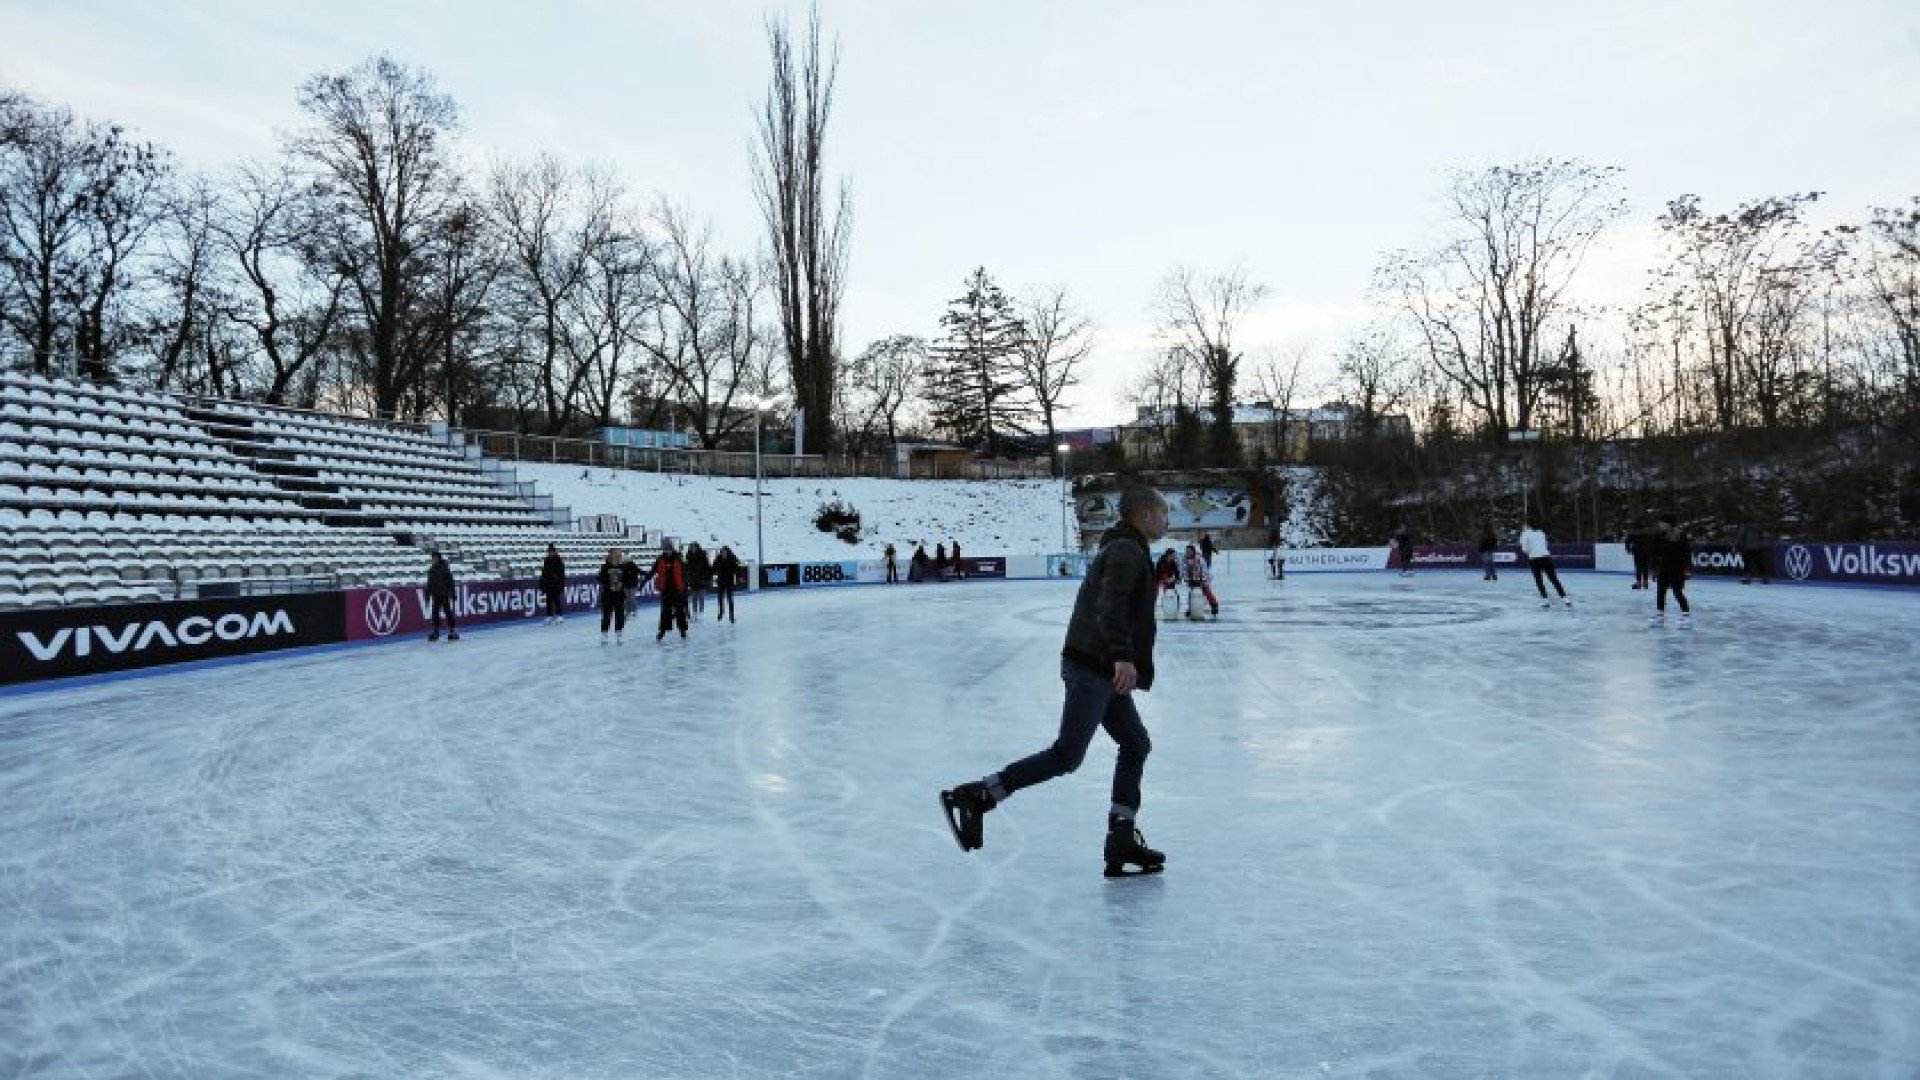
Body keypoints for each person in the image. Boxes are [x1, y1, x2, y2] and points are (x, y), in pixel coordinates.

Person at [940, 483, 1171, 878]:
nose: (1168, 521)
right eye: (1164, 513)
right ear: (1146, 514)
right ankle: (978, 795)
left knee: (1135, 743)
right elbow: (1109, 604)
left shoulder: (1128, 550)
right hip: (1093, 666)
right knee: (1068, 754)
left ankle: (1121, 837)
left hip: (1099, 668)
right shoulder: (1125, 551)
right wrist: (1122, 656)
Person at [1650, 516, 1693, 628]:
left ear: (1669, 524)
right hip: (1663, 568)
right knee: (1660, 591)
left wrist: (1688, 568)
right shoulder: (1658, 536)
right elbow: (1654, 553)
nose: (1660, 525)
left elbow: (1686, 552)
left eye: (1662, 522)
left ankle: (1686, 615)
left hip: (1677, 568)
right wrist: (1654, 568)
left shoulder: (1681, 536)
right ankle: (1660, 615)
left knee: (1677, 592)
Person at [644, 540, 690, 642]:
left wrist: (685, 587)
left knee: (680, 611)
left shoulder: (678, 559)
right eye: (666, 549)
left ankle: (682, 630)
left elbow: (685, 574)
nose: (667, 551)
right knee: (665, 612)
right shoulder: (660, 559)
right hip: (665, 590)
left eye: (669, 549)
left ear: (672, 549)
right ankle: (662, 631)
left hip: (677, 590)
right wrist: (645, 580)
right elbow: (652, 571)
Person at [1519, 520, 1571, 608]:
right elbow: (1545, 544)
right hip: (1546, 557)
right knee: (1553, 579)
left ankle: (1545, 600)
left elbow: (1525, 549)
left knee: (1539, 580)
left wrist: (1531, 551)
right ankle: (1565, 599)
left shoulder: (1525, 534)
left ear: (1527, 526)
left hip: (1534, 558)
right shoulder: (1541, 532)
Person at [597, 547, 640, 644]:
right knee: (606, 616)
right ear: (611, 555)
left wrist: (624, 582)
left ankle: (619, 635)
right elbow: (600, 578)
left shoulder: (623, 567)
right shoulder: (605, 567)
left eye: (620, 554)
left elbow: (629, 578)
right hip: (608, 595)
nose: (619, 555)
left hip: (619, 596)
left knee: (620, 616)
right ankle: (604, 635)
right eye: (616, 554)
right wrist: (609, 582)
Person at [426, 551, 459, 642]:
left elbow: (451, 581)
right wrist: (427, 595)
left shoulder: (445, 568)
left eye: (435, 558)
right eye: (432, 558)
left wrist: (453, 593)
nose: (433, 559)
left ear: (439, 558)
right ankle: (436, 631)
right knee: (435, 614)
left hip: (444, 595)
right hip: (436, 595)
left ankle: (452, 630)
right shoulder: (431, 570)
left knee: (448, 613)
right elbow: (429, 584)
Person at [1182, 543, 1219, 619]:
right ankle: (1192, 607)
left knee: (1206, 592)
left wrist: (1203, 579)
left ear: (1193, 551)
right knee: (1192, 593)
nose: (1188, 552)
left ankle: (1214, 605)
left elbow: (1204, 569)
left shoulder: (1199, 558)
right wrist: (1186, 577)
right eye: (1187, 551)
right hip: (1192, 579)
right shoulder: (1185, 559)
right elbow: (1183, 569)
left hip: (1202, 578)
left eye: (1190, 551)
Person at [712, 544, 741, 623]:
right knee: (720, 599)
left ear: (728, 552)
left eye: (725, 552)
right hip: (721, 582)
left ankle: (731, 616)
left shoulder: (732, 559)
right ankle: (721, 612)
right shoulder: (718, 559)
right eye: (722, 552)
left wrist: (739, 576)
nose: (723, 553)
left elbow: (737, 568)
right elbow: (714, 567)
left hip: (729, 582)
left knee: (730, 599)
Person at [1626, 519, 1657, 590]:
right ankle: (1645, 582)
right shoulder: (1649, 532)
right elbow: (1653, 541)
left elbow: (1628, 541)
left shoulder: (1634, 532)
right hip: (1647, 551)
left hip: (1637, 551)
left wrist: (1628, 549)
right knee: (1645, 567)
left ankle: (1639, 582)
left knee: (1638, 567)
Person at [539, 543, 566, 624]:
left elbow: (562, 573)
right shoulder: (546, 560)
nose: (550, 553)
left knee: (557, 600)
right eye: (549, 552)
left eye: (551, 552)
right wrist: (542, 583)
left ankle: (560, 615)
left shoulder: (559, 560)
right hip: (548, 584)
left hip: (556, 584)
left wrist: (560, 582)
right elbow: (544, 572)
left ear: (554, 552)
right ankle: (549, 616)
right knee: (549, 601)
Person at [685, 541, 712, 618]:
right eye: (691, 547)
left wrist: (707, 579)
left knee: (701, 598)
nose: (693, 549)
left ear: (697, 548)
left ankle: (701, 614)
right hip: (693, 581)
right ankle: (694, 614)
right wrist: (687, 578)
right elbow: (687, 569)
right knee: (693, 598)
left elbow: (708, 568)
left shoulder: (703, 556)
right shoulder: (688, 557)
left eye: (694, 547)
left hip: (702, 581)